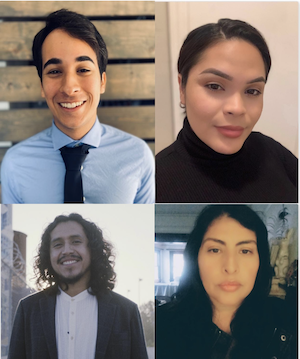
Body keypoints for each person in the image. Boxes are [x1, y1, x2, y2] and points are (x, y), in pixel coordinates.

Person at [1, 9, 154, 204]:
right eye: (55, 71)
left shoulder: (138, 156)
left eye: (83, 69)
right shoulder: (16, 164)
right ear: (41, 85)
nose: (69, 87)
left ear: (102, 81)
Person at [156, 19, 297, 203]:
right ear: (182, 89)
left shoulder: (272, 152)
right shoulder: (157, 180)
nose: (237, 108)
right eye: (214, 86)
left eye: (252, 91)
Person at [156, 205, 296, 359]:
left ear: (260, 261)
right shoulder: (159, 326)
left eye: (245, 251)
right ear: (195, 258)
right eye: (215, 250)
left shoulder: (288, 320)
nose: (230, 267)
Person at [8, 213, 148, 359]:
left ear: (92, 250)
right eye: (58, 244)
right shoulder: (28, 309)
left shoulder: (126, 311)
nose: (67, 250)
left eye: (76, 241)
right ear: (48, 255)